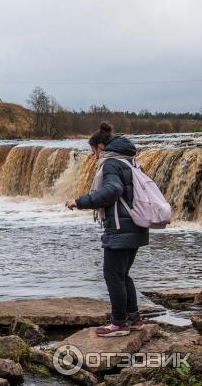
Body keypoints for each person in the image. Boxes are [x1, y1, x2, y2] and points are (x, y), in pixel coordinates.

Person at [65, 122, 149, 337]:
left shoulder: (111, 163)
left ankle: (119, 324)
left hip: (121, 228)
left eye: (92, 150)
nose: (93, 155)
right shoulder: (130, 160)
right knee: (123, 275)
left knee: (113, 276)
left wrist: (80, 201)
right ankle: (134, 318)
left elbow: (113, 190)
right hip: (136, 225)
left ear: (100, 147)